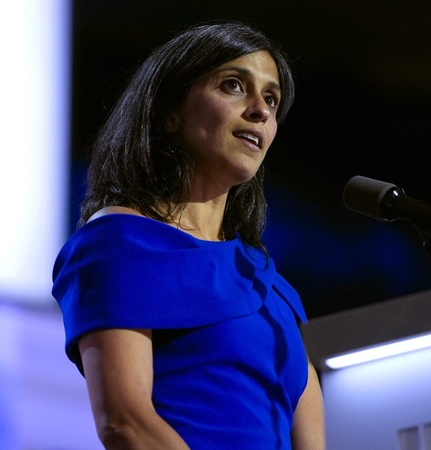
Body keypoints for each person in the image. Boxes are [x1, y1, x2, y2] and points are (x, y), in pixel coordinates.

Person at [51, 20, 325, 449]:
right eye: (234, 86)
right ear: (170, 113)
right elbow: (126, 423)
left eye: (271, 99)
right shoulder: (120, 244)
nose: (260, 109)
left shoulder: (268, 284)